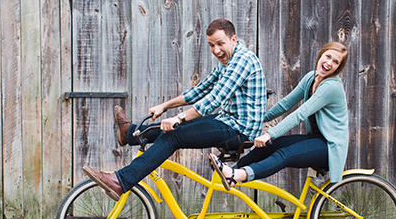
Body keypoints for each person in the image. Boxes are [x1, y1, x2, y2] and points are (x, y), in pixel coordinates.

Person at [83, 18, 266, 199]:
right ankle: (130, 133)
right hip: (228, 121)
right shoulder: (227, 62)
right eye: (211, 45)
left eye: (220, 43)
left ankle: (120, 181)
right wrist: (164, 106)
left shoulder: (242, 60)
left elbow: (214, 98)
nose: (216, 50)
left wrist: (178, 118)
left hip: (240, 130)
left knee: (172, 135)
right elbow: (201, 89)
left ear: (233, 39)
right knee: (173, 129)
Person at [209, 41, 348, 188]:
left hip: (330, 148)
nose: (329, 63)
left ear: (338, 67)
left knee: (285, 154)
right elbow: (285, 104)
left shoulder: (331, 86)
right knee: (269, 146)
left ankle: (238, 175)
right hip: (315, 139)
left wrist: (269, 134)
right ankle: (232, 170)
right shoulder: (311, 78)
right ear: (321, 55)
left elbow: (300, 114)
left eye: (335, 62)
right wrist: (255, 120)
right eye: (328, 56)